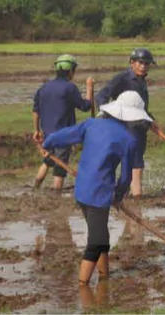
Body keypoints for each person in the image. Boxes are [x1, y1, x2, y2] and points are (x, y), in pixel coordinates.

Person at [42, 90, 150, 286]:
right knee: (96, 242)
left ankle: (104, 277)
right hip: (99, 194)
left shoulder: (91, 124)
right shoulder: (129, 140)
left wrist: (47, 142)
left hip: (82, 190)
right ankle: (83, 287)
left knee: (101, 236)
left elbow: (66, 135)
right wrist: (118, 196)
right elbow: (126, 177)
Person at [95, 48, 157, 198]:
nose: (144, 66)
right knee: (119, 160)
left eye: (147, 64)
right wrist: (105, 113)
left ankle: (135, 195)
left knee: (136, 161)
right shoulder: (122, 78)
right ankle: (115, 193)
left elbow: (139, 106)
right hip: (123, 128)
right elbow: (101, 96)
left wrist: (151, 120)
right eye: (141, 63)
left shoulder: (142, 81)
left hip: (139, 128)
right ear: (132, 63)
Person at [32, 54, 93, 190]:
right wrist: (89, 88)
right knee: (60, 167)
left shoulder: (44, 87)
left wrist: (36, 130)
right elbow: (85, 106)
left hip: (47, 133)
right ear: (71, 71)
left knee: (48, 160)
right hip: (64, 134)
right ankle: (56, 194)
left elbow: (35, 111)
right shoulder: (70, 88)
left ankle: (35, 187)